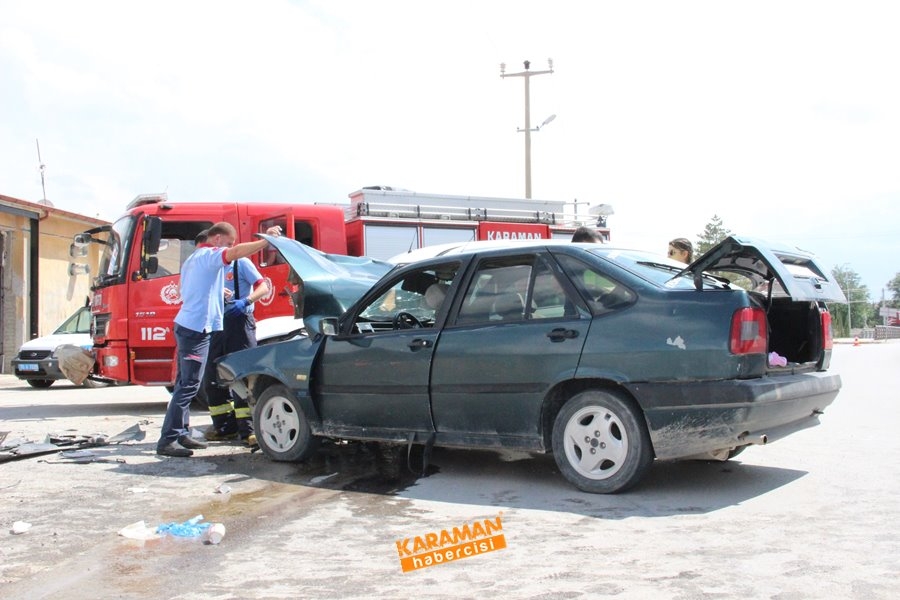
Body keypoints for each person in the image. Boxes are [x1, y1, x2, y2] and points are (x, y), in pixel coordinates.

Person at [156, 222, 282, 457]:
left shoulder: (193, 260)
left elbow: (192, 291)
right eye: (227, 243)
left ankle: (182, 433)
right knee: (189, 386)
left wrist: (222, 294)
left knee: (187, 383)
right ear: (215, 240)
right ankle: (169, 439)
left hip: (192, 326)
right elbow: (234, 253)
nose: (230, 248)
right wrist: (267, 241)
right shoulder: (209, 256)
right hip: (196, 329)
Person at [202, 255, 270, 446]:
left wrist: (246, 302)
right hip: (216, 324)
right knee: (212, 378)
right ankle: (224, 428)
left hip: (240, 323)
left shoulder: (241, 263)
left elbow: (263, 287)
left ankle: (250, 430)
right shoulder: (210, 267)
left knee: (244, 375)